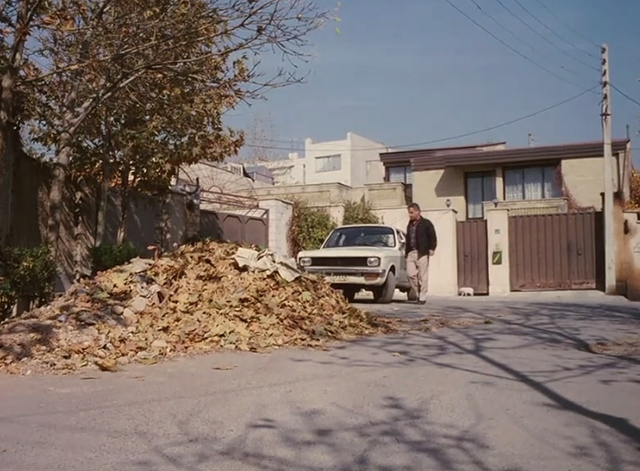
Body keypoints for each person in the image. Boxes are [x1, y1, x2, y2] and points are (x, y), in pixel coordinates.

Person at [405, 202, 437, 304]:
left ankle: (422, 297)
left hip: (422, 252)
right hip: (411, 252)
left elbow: (432, 237)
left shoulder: (426, 223)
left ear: (418, 212)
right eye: (409, 213)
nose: (410, 215)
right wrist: (406, 253)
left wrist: (432, 248)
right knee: (410, 274)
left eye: (411, 212)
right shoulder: (409, 224)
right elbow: (407, 238)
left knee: (422, 276)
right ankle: (417, 291)